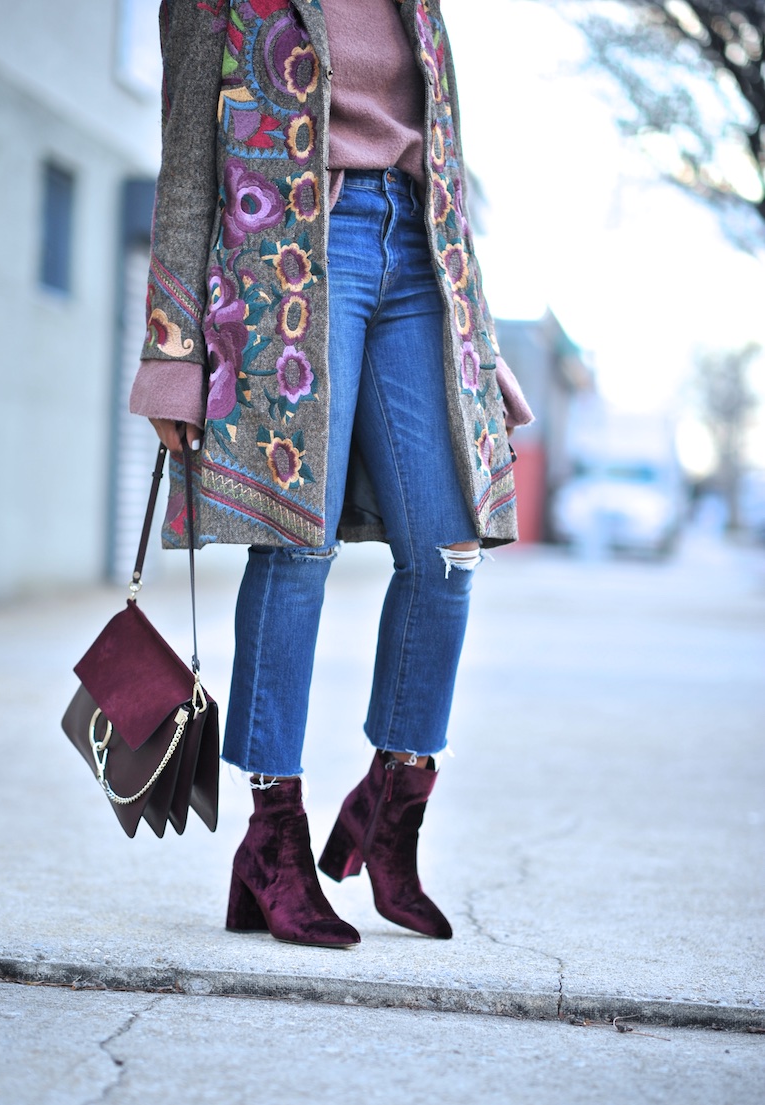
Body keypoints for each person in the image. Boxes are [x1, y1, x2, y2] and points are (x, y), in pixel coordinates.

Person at [130, 0, 533, 948]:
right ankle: (272, 839)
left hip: (419, 267)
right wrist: (172, 349)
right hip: (295, 262)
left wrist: (485, 345)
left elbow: (445, 173)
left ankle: (393, 807)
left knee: (448, 546)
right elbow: (187, 161)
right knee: (294, 544)